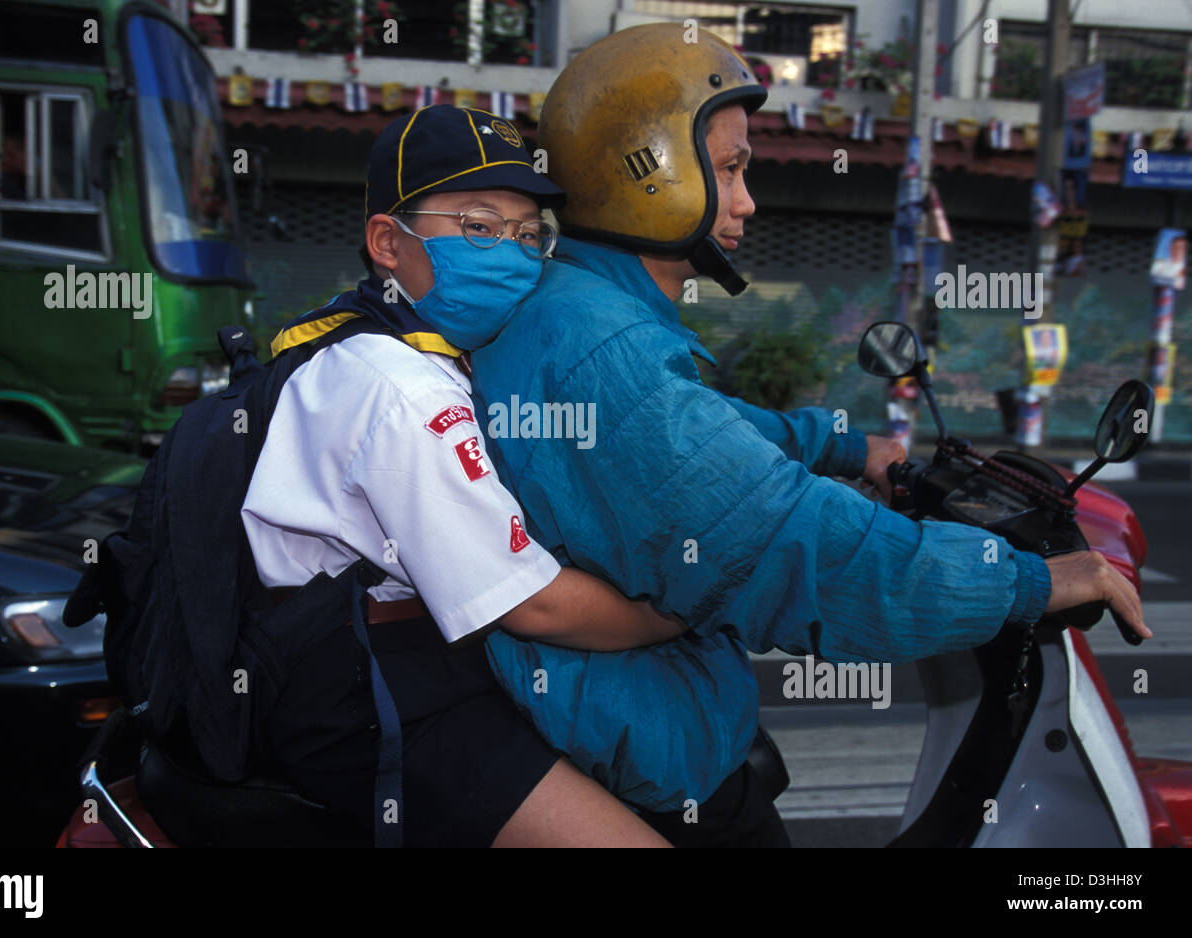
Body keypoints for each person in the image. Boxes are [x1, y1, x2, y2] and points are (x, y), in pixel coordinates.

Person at [467, 23, 1150, 846]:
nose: (749, 201)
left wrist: (842, 446)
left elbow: (706, 435)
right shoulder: (608, 352)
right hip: (652, 765)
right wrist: (1033, 583)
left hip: (614, 723)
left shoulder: (577, 311)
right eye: (729, 170)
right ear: (648, 171)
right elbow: (799, 549)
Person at [248, 105, 686, 847]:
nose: (513, 257)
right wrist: (686, 610)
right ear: (388, 242)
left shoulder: (396, 345)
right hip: (370, 692)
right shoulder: (400, 386)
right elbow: (534, 606)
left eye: (527, 236)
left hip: (397, 658)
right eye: (479, 228)